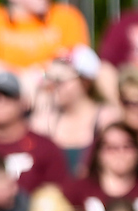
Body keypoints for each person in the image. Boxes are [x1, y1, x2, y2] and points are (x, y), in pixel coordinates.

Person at [28, 47, 119, 175]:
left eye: (60, 80)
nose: (53, 86)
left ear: (85, 81)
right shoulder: (43, 122)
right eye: (50, 79)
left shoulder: (107, 119)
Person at [64, 122, 138, 211]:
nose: (120, 153)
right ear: (98, 153)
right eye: (112, 147)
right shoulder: (78, 190)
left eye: (127, 146)